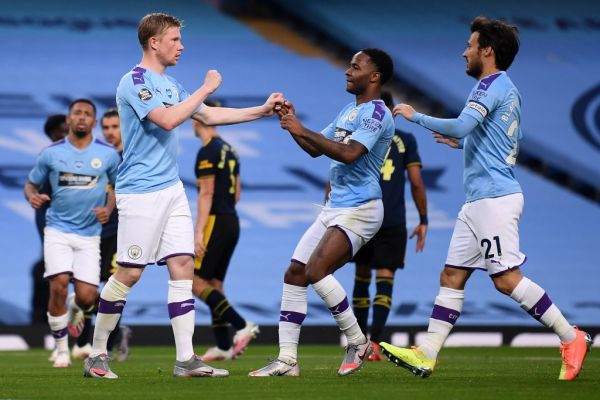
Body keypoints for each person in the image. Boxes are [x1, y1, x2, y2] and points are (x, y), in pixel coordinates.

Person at [379, 16, 592, 381]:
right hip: (480, 200)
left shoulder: (489, 86)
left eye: (470, 45)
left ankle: (572, 337)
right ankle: (427, 353)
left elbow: (463, 123)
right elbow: (499, 138)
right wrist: (463, 143)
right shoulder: (506, 88)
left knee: (506, 279)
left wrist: (417, 117)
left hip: (493, 199)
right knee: (451, 275)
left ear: (487, 51)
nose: (465, 52)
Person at [83, 12, 283, 379]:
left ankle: (186, 359)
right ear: (154, 42)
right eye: (174, 39)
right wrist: (205, 87)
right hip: (140, 192)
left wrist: (262, 110)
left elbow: (209, 116)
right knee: (129, 274)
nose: (181, 45)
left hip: (171, 189)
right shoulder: (134, 81)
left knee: (183, 268)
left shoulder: (171, 83)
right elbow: (168, 120)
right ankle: (97, 354)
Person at [249, 48, 395, 377]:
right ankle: (287, 361)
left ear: (374, 77)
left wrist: (301, 128)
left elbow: (349, 153)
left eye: (355, 67)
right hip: (336, 207)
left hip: (361, 208)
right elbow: (317, 150)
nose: (347, 71)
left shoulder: (377, 113)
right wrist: (292, 126)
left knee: (316, 271)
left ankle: (358, 342)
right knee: (295, 274)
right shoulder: (349, 111)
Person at [25, 99, 120, 368]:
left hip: (90, 235)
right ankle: (62, 349)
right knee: (58, 283)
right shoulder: (51, 153)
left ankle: (76, 306)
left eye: (87, 114)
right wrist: (32, 196)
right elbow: (30, 185)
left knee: (88, 296)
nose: (81, 117)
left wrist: (108, 208)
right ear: (69, 119)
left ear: (93, 121)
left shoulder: (108, 154)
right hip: (57, 230)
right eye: (76, 112)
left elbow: (118, 185)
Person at [351, 90, 428, 361]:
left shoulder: (362, 135)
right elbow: (416, 182)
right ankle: (374, 344)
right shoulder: (405, 141)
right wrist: (424, 219)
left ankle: (357, 344)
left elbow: (341, 167)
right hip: (392, 219)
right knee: (385, 280)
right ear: (393, 110)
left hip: (363, 213)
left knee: (361, 279)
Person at [191, 100, 259, 362]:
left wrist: (199, 231)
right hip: (232, 219)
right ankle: (223, 346)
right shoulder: (231, 150)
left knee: (193, 282)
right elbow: (238, 193)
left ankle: (242, 325)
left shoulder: (207, 151)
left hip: (217, 220)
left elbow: (206, 193)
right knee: (215, 284)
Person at [72, 108, 132, 362]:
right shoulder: (100, 157)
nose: (109, 132)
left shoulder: (130, 156)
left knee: (111, 287)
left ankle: (92, 342)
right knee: (87, 286)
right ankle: (109, 336)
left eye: (115, 127)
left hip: (120, 231)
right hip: (95, 231)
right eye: (106, 128)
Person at [32, 114, 68, 325]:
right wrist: (46, 235)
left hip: (86, 231)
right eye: (63, 131)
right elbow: (39, 201)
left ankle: (111, 331)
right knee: (52, 278)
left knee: (87, 286)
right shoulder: (47, 159)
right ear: (53, 134)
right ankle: (42, 327)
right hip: (55, 231)